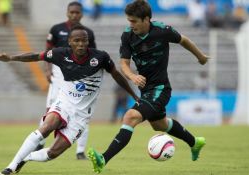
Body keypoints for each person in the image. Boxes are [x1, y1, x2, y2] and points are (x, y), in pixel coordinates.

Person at [0, 25, 139, 175]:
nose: (81, 44)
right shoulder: (60, 54)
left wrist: (133, 95)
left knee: (52, 154)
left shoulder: (101, 57)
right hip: (64, 103)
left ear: (88, 42)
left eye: (84, 41)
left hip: (81, 115)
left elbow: (116, 75)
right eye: (77, 41)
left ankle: (25, 158)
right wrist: (11, 58)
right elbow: (35, 56)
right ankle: (10, 167)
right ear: (69, 42)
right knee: (46, 127)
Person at [87, 0, 209, 173]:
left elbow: (184, 40)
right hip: (146, 90)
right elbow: (123, 63)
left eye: (134, 21)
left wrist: (201, 56)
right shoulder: (128, 35)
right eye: (129, 20)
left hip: (160, 89)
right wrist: (132, 76)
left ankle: (103, 159)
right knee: (159, 125)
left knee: (130, 116)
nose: (131, 25)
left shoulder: (162, 31)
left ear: (146, 19)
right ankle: (195, 142)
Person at [43, 1, 96, 160]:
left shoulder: (88, 33)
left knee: (81, 113)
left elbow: (93, 55)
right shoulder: (57, 29)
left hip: (79, 77)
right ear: (67, 13)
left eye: (77, 13)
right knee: (50, 109)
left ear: (82, 14)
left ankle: (80, 150)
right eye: (71, 12)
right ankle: (40, 141)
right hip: (58, 74)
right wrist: (47, 69)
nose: (74, 15)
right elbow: (47, 51)